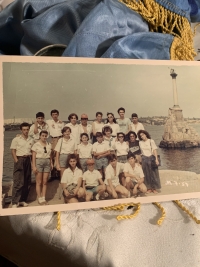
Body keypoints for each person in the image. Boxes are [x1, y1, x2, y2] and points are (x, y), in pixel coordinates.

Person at [10, 122, 34, 208]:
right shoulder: (16, 139)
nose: (26, 131)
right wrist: (16, 160)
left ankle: (22, 200)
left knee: (27, 181)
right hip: (20, 159)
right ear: (21, 130)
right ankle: (14, 202)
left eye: (27, 129)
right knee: (18, 181)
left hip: (28, 159)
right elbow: (13, 151)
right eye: (24, 130)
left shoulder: (31, 139)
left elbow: (33, 150)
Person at [31, 130, 53, 205]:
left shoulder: (49, 144)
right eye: (43, 136)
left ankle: (43, 197)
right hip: (39, 162)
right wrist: (33, 166)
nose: (44, 137)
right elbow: (33, 156)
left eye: (45, 136)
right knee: (39, 182)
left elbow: (50, 155)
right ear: (40, 136)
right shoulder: (36, 145)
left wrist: (51, 163)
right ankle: (39, 197)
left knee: (45, 181)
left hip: (47, 162)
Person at [138, 130, 161, 194]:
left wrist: (156, 159)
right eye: (140, 136)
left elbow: (154, 150)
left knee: (154, 174)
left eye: (143, 135)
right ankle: (149, 188)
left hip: (151, 158)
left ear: (146, 134)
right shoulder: (140, 142)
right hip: (144, 158)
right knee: (146, 174)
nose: (142, 136)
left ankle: (154, 188)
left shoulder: (151, 141)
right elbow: (141, 152)